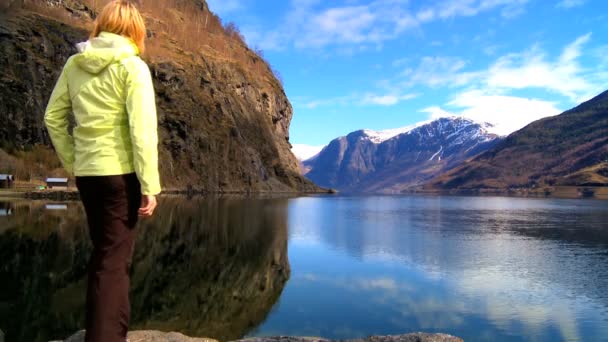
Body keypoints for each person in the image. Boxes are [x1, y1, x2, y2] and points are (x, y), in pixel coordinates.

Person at [44, 1, 161, 341]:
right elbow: (142, 132)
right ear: (135, 30)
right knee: (114, 261)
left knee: (103, 254)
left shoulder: (74, 64)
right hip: (120, 177)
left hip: (88, 175)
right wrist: (150, 184)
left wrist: (74, 162)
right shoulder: (133, 67)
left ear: (102, 26)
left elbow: (52, 117)